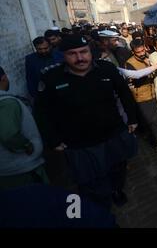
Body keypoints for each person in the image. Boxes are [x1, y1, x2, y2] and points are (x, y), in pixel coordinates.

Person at [34, 34, 139, 209]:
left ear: (91, 51)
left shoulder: (107, 69)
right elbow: (42, 112)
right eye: (72, 54)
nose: (80, 57)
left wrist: (132, 118)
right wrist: (52, 139)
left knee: (118, 167)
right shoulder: (52, 78)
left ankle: (116, 190)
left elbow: (124, 93)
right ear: (63, 55)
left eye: (83, 52)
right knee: (91, 182)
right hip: (80, 143)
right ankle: (102, 210)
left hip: (113, 134)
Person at [0, 66, 48, 191]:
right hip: (20, 170)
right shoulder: (6, 103)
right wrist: (27, 145)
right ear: (4, 78)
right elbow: (9, 135)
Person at [125, 39, 157, 146]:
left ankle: (154, 139)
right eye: (139, 52)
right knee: (150, 122)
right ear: (133, 52)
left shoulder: (148, 58)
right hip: (142, 97)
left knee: (156, 120)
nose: (142, 54)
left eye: (143, 50)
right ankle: (154, 143)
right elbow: (138, 77)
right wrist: (151, 67)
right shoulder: (130, 63)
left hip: (153, 93)